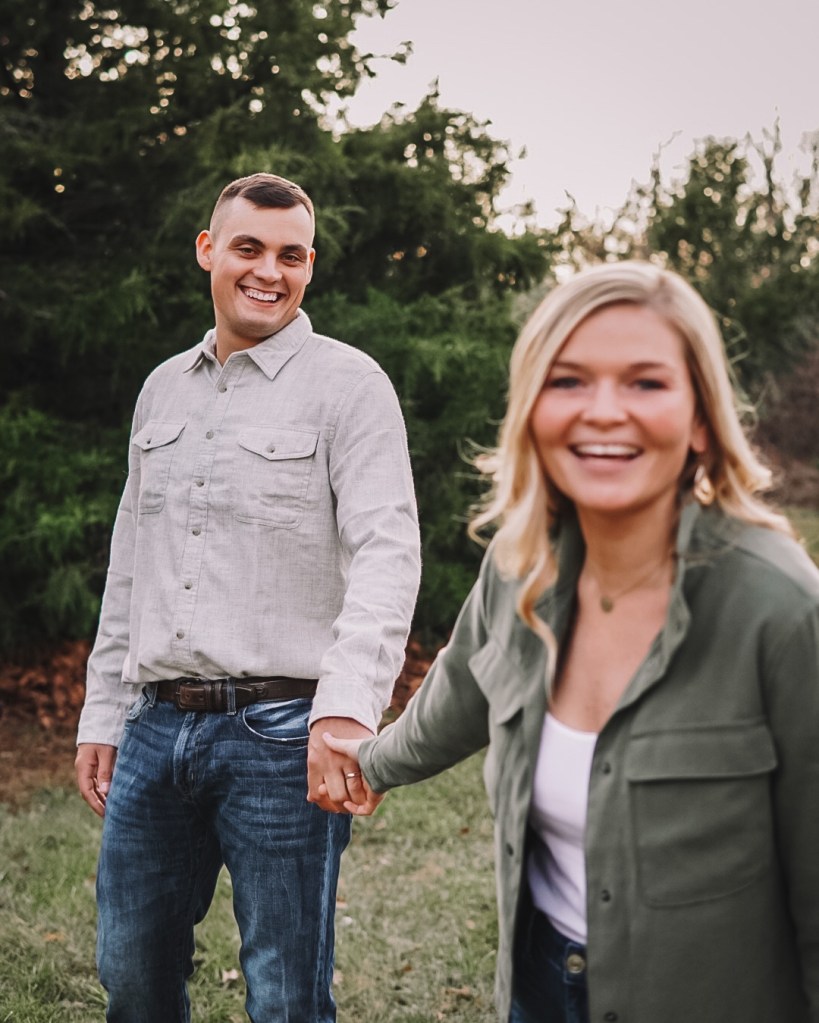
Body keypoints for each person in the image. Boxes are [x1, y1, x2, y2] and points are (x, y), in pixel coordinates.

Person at [326, 259, 819, 1023]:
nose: (604, 411)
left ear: (699, 417)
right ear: (531, 410)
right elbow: (460, 692)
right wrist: (370, 762)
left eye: (645, 382)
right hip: (538, 986)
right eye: (568, 381)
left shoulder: (781, 610)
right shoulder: (518, 567)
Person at [75, 172, 421, 1023]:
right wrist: (102, 712)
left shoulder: (350, 385)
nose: (270, 271)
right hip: (155, 728)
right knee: (130, 972)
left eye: (290, 255)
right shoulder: (162, 388)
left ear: (310, 266)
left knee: (286, 995)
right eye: (249, 248)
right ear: (208, 250)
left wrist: (346, 710)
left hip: (283, 734)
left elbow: (386, 553)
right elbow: (132, 561)